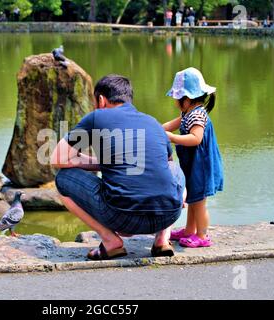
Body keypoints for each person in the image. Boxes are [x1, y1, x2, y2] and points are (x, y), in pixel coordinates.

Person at [51, 75, 186, 260]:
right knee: (174, 168)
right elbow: (167, 164)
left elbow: (57, 158)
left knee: (63, 179)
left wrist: (97, 162)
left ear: (101, 100)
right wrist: (107, 161)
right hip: (167, 215)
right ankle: (162, 238)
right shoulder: (152, 122)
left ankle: (110, 240)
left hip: (120, 217)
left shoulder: (97, 117)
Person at [163, 68, 223, 248]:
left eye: (176, 99)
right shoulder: (187, 113)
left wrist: (172, 138)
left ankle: (203, 236)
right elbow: (169, 125)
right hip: (192, 165)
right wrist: (155, 129)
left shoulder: (197, 115)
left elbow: (196, 139)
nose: (175, 102)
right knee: (193, 199)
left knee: (199, 203)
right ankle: (190, 230)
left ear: (187, 99)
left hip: (201, 166)